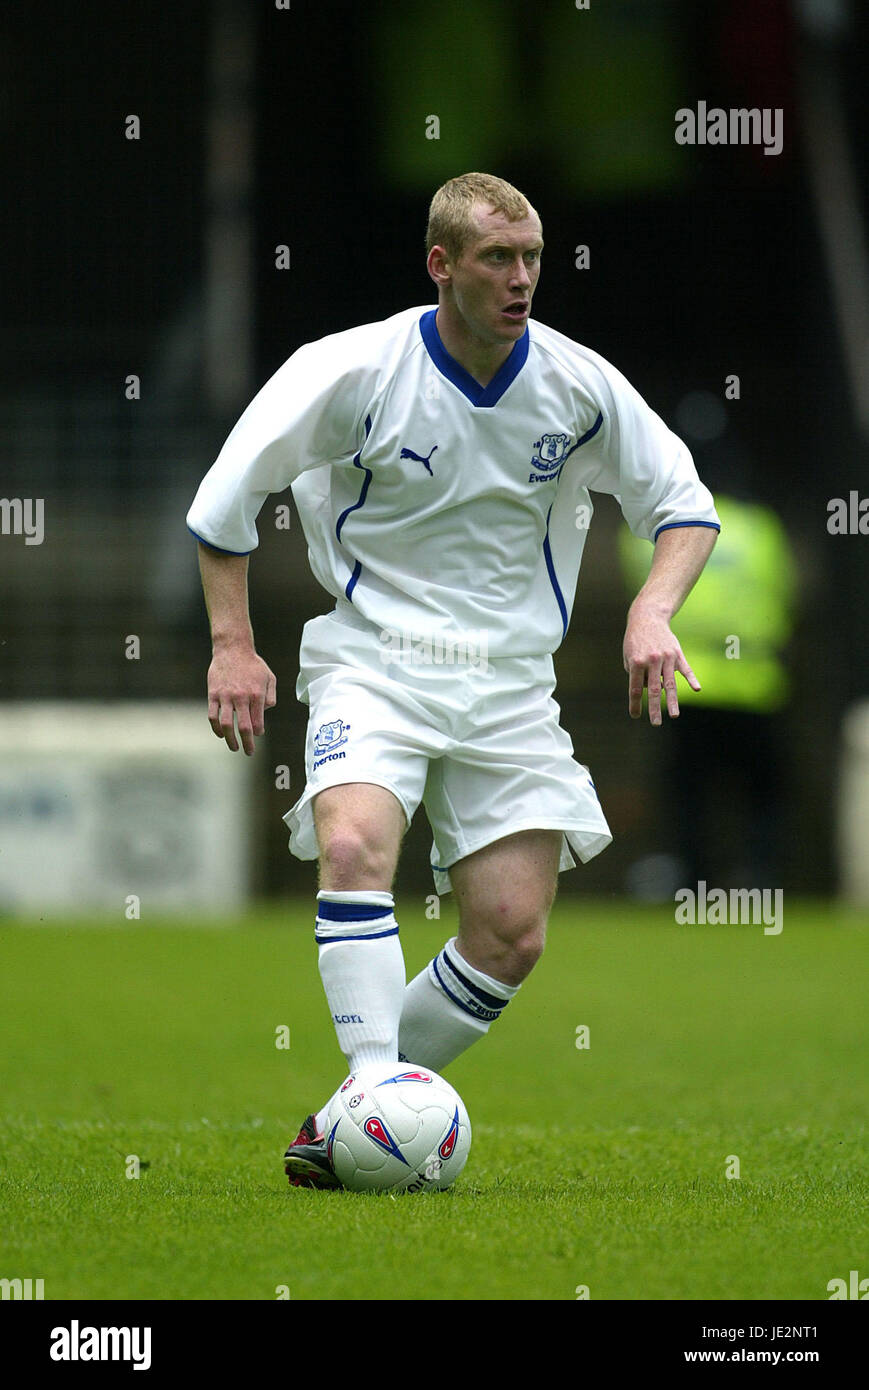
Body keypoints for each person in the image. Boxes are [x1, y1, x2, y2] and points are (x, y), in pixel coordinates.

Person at [186, 172, 720, 1189]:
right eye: (495, 260)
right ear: (440, 265)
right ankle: (375, 1092)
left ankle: (349, 1117)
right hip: (372, 662)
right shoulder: (350, 370)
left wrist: (651, 608)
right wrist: (231, 644)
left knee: (509, 933)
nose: (520, 279)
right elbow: (224, 500)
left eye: (531, 259)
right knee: (350, 842)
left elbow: (684, 506)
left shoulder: (576, 384)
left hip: (510, 686)